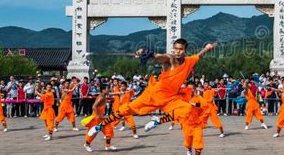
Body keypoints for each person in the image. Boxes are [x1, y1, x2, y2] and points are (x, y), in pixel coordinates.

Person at [88, 40, 217, 138]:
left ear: (185, 50)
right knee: (127, 109)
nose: (177, 52)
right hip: (153, 94)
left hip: (170, 98)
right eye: (176, 49)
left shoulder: (189, 61)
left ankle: (158, 120)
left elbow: (199, 56)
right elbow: (159, 56)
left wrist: (207, 48)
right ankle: (101, 125)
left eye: (180, 49)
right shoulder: (170, 59)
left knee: (187, 110)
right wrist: (147, 53)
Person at [182, 82, 208, 155]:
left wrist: (194, 104)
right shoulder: (183, 98)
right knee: (188, 142)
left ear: (195, 89)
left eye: (191, 89)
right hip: (187, 124)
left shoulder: (199, 98)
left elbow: (205, 105)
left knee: (198, 140)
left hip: (197, 124)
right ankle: (189, 149)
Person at [83, 84, 116, 152]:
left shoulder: (103, 96)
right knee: (93, 133)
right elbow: (94, 106)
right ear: (103, 90)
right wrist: (99, 115)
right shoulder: (101, 97)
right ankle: (87, 144)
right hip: (96, 118)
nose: (108, 90)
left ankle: (108, 145)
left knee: (108, 130)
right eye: (107, 88)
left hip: (101, 118)